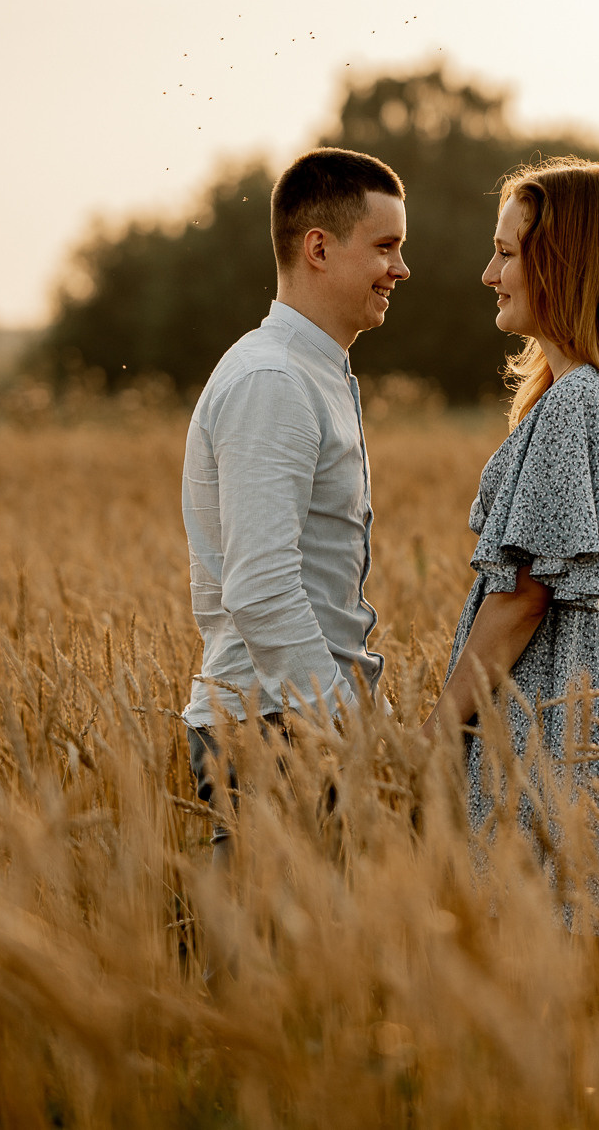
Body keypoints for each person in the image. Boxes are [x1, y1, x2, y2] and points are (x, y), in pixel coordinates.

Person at [420, 155, 599, 922]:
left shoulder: (574, 407)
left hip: (545, 717)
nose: (488, 272)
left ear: (559, 262)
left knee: (526, 932)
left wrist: (435, 734)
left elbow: (524, 596)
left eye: (505, 251)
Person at [182, 147, 408, 866]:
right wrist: (341, 724)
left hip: (291, 713)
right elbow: (261, 585)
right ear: (318, 248)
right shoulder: (274, 380)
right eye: (385, 246)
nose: (400, 269)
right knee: (268, 967)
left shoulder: (312, 371)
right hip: (274, 723)